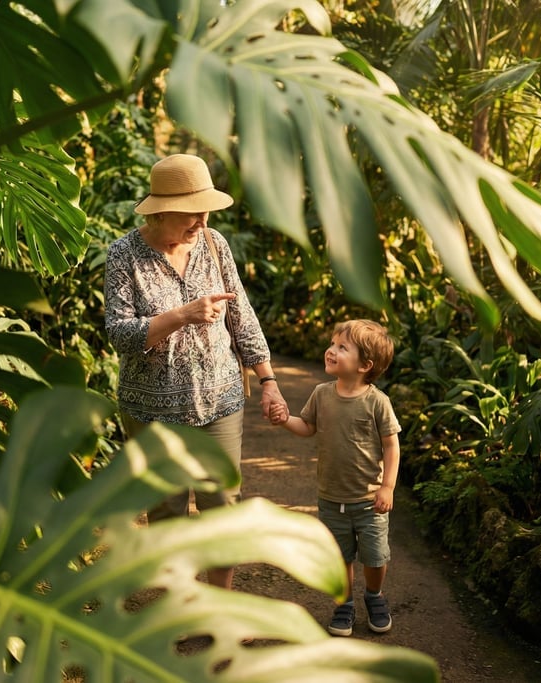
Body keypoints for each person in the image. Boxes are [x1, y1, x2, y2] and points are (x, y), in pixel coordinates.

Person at [104, 153, 288, 589]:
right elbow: (119, 333)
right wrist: (181, 314)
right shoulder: (123, 255)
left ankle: (218, 611)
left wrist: (269, 381)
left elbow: (241, 314)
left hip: (219, 400)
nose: (202, 222)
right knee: (167, 513)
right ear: (161, 210)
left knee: (221, 507)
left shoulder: (213, 244)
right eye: (192, 213)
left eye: (206, 212)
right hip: (150, 412)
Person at [270, 319, 400, 636]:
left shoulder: (377, 402)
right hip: (331, 497)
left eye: (342, 347)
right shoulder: (321, 394)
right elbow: (307, 427)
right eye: (332, 343)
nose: (331, 350)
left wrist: (387, 487)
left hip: (369, 500)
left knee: (374, 556)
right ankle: (343, 604)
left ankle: (374, 596)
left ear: (364, 365)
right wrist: (286, 420)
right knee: (338, 556)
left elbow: (391, 445)